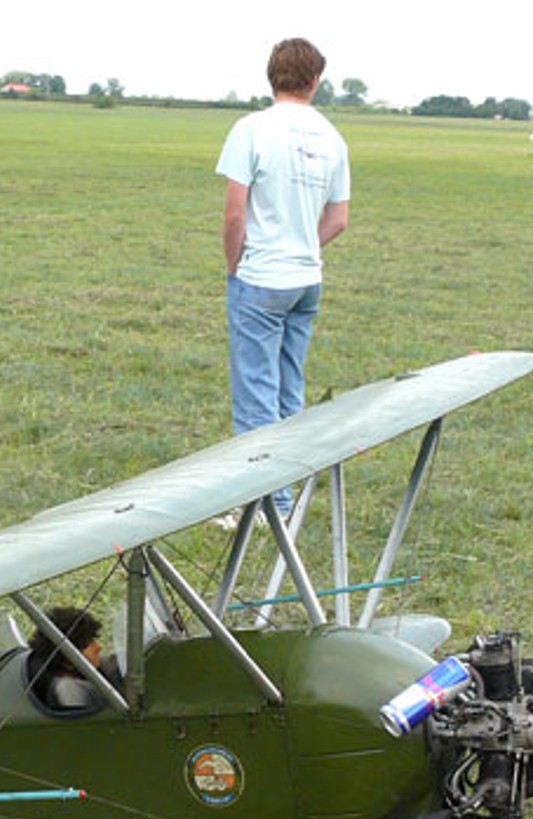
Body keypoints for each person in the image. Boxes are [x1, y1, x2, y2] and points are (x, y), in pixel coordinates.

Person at [216, 37, 351, 516]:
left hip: (260, 278)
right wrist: (302, 247)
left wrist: (235, 264)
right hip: (306, 280)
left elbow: (235, 214)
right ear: (315, 80)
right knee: (289, 390)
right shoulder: (333, 138)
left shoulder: (251, 129)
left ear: (272, 77)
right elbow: (338, 220)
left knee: (255, 395)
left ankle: (264, 505)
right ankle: (288, 496)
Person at [27, 607, 121, 711]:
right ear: (67, 656)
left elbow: (116, 664)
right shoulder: (68, 689)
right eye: (88, 644)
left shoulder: (91, 667)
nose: (98, 647)